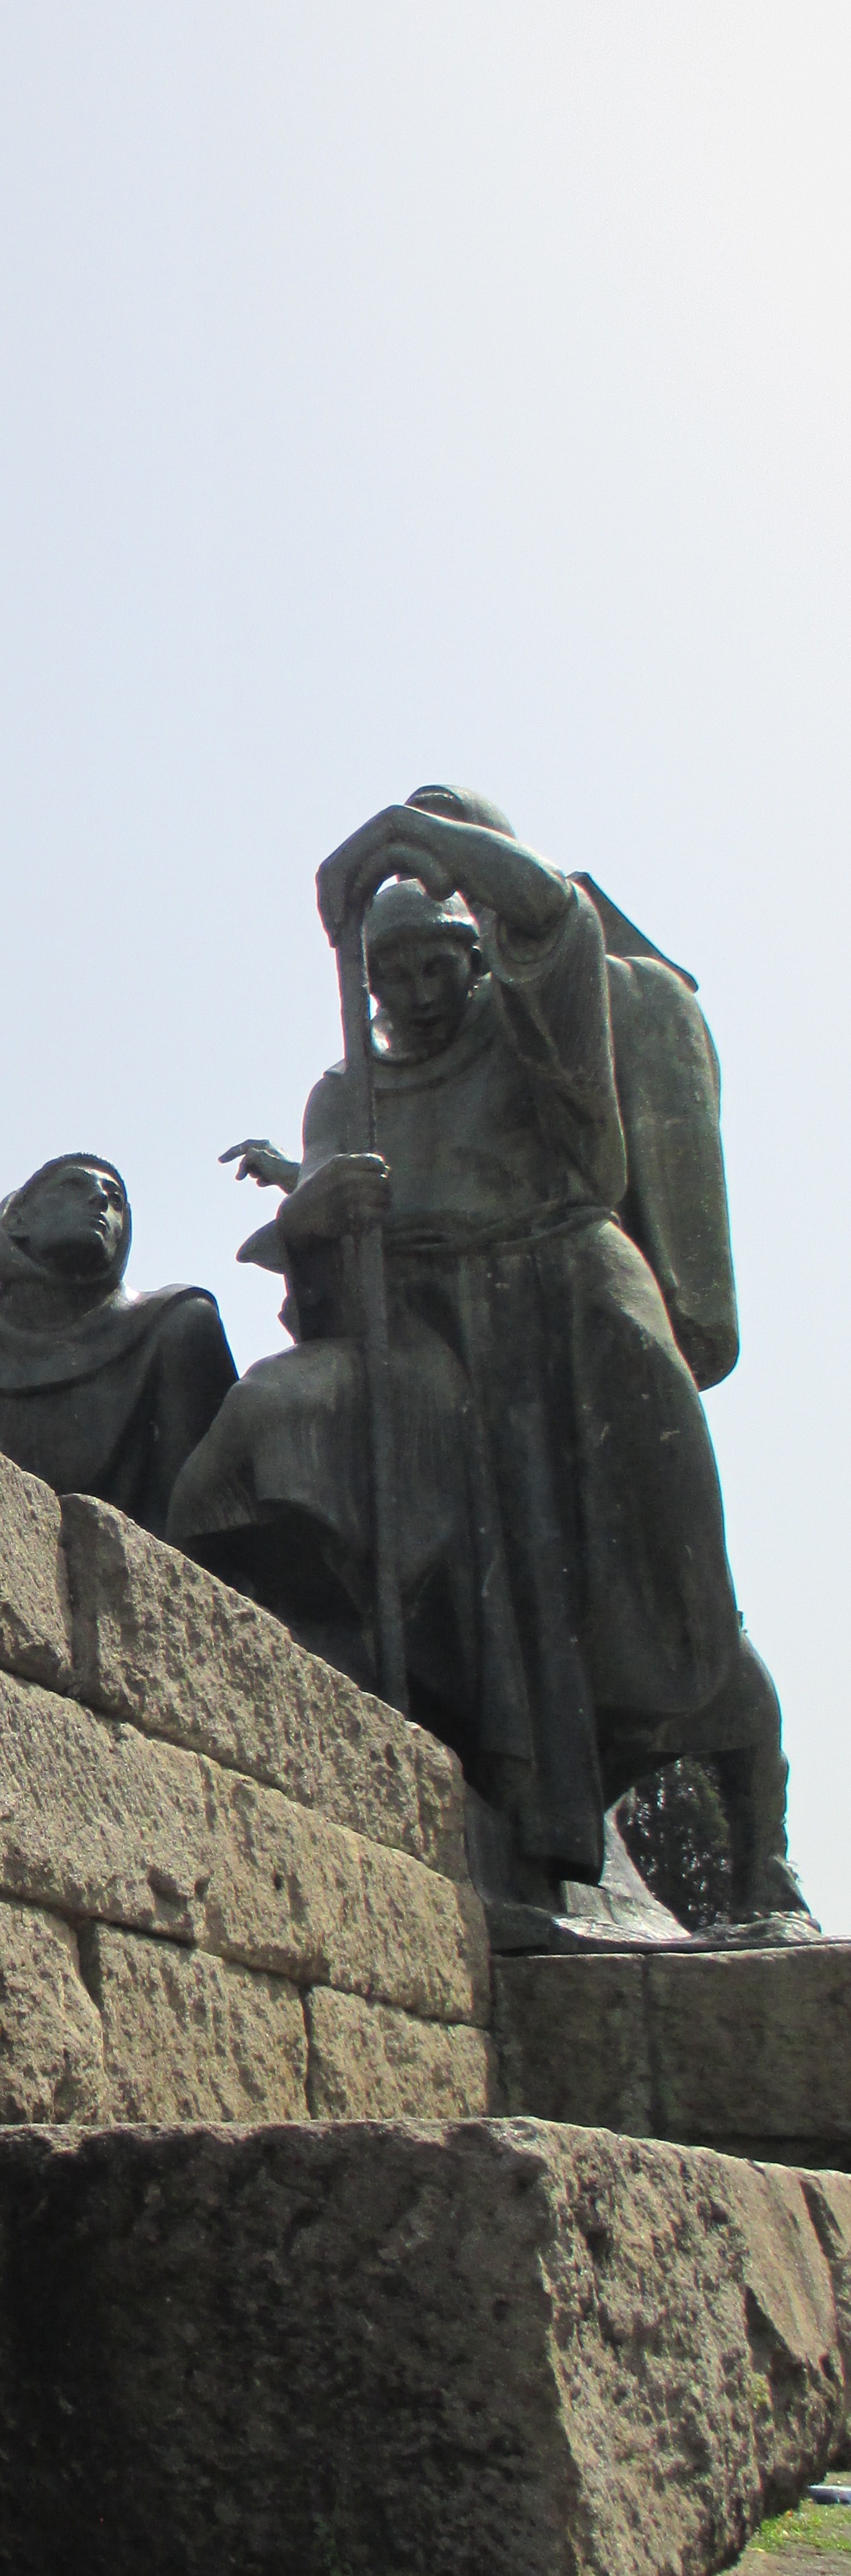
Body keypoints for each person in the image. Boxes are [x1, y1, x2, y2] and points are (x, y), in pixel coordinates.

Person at [170, 786, 789, 1901]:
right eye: (393, 975)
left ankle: (764, 1845)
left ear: (474, 954)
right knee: (274, 1429)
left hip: (575, 1309)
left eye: (436, 965)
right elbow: (319, 1263)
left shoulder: (543, 1025)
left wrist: (433, 843)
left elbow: (556, 924)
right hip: (432, 1339)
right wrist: (317, 1211)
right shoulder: (344, 1091)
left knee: (662, 1571)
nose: (416, 993)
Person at [0, 1155, 235, 1535]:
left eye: (116, 1200)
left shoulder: (175, 1325)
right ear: (17, 1219)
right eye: (75, 1185)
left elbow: (202, 1530)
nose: (101, 1200)